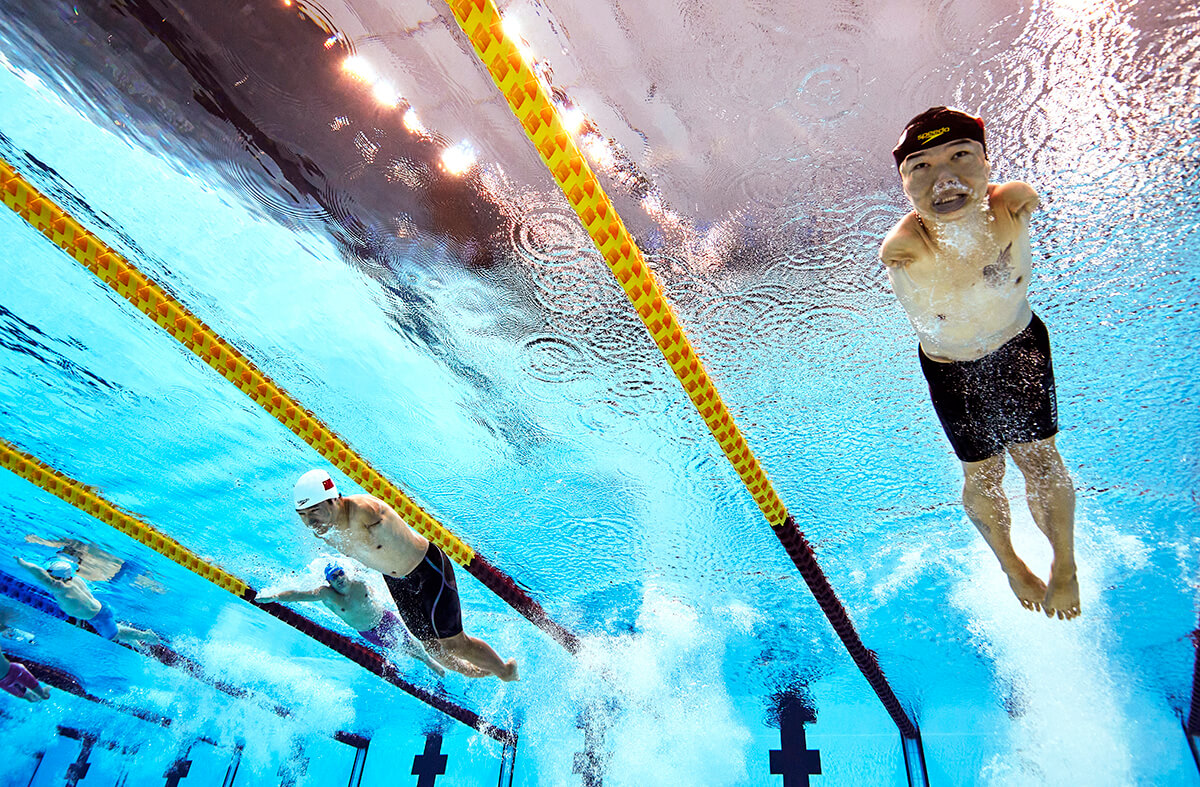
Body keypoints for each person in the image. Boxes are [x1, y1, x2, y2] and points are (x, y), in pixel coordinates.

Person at [879, 106, 1079, 620]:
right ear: (905, 186)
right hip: (953, 368)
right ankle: (1012, 563)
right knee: (983, 474)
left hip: (1020, 346)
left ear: (988, 164)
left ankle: (1066, 566)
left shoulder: (1013, 205)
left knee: (1039, 459)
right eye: (920, 167)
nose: (943, 179)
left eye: (960, 156)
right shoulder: (905, 248)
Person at [291, 470, 519, 680]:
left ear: (334, 499)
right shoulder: (325, 531)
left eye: (314, 511)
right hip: (396, 581)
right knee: (430, 646)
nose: (310, 520)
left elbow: (384, 509)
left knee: (454, 644)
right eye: (303, 514)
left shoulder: (363, 509)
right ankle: (469, 672)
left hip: (426, 569)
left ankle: (504, 670)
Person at [257, 562, 446, 676]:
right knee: (400, 648)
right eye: (334, 577)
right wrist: (275, 597)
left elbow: (379, 571)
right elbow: (298, 595)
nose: (339, 578)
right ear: (329, 582)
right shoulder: (327, 594)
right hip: (367, 632)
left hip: (384, 619)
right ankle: (421, 660)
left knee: (409, 643)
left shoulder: (359, 582)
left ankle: (429, 661)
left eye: (340, 573)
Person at [15, 555, 162, 645]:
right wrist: (80, 619)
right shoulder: (76, 580)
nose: (51, 580)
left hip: (97, 616)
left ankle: (145, 635)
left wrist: (22, 563)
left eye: (53, 577)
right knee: (113, 628)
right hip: (100, 610)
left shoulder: (60, 587)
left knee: (113, 635)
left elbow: (39, 574)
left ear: (59, 577)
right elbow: (80, 601)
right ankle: (135, 641)